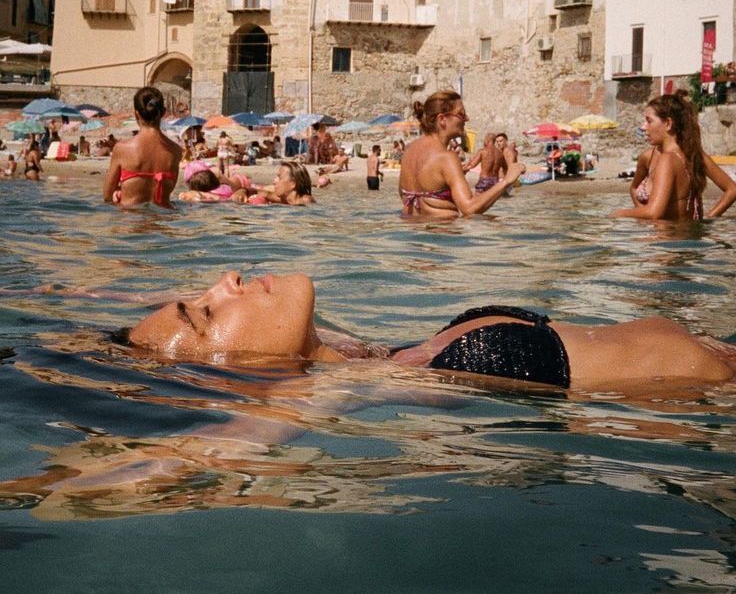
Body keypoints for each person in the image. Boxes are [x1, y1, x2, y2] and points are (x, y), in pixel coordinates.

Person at [123, 270, 736, 389]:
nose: (224, 280)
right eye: (205, 312)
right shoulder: (342, 391)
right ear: (238, 372)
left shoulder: (360, 354)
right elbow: (228, 448)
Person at [612, 90, 736, 221]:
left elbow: (654, 213)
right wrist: (641, 214)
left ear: (668, 124)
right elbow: (634, 188)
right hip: (677, 235)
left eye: (649, 121)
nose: (643, 127)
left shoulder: (679, 157)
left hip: (668, 238)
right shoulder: (648, 157)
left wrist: (617, 214)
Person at [399, 90, 525, 218]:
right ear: (442, 119)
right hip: (441, 233)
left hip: (411, 228)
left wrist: (451, 176)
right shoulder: (446, 157)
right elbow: (469, 208)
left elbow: (406, 194)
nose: (467, 119)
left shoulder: (408, 151)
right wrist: (506, 181)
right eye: (461, 114)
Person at [103, 86, 182, 208]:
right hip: (163, 224)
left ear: (136, 113)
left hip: (130, 222)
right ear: (163, 112)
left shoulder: (122, 148)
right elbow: (168, 191)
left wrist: (122, 189)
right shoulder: (175, 151)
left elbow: (107, 197)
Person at [234, 161, 315, 206]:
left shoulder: (305, 201)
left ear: (293, 183)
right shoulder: (283, 199)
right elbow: (258, 191)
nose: (274, 181)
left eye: (279, 177)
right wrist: (242, 191)